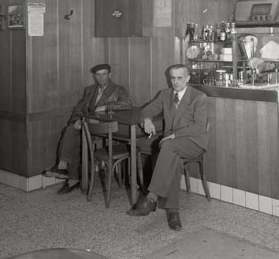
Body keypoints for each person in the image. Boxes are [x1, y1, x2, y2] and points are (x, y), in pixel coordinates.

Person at [127, 64, 208, 231]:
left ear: (187, 78)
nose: (176, 82)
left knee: (168, 146)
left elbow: (199, 127)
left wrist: (175, 135)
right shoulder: (165, 94)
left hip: (193, 142)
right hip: (171, 145)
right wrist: (147, 119)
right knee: (173, 158)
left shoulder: (199, 97)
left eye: (179, 78)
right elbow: (148, 109)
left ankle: (151, 197)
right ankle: (173, 211)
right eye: (173, 78)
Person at [43, 63, 132, 194]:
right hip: (87, 126)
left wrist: (107, 106)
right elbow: (79, 108)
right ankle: (65, 168)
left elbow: (128, 103)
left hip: (103, 131)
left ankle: (67, 172)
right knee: (72, 130)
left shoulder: (118, 89)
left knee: (72, 135)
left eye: (104, 74)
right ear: (94, 76)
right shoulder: (89, 90)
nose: (101, 77)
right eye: (98, 74)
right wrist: (77, 120)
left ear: (109, 75)